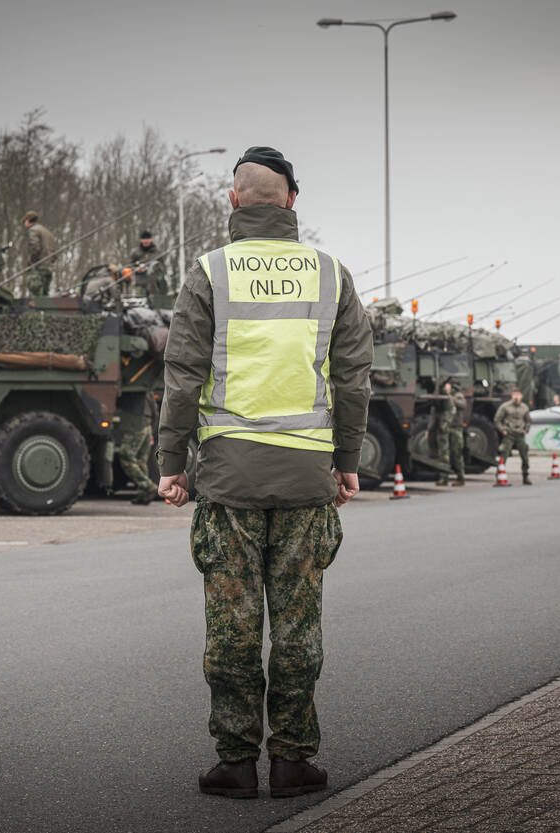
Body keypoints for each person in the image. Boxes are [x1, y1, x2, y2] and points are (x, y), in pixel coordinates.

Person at [155, 146, 372, 800]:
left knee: (233, 631)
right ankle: (292, 759)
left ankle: (235, 762)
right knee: (298, 627)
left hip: (227, 484)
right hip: (307, 482)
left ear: (233, 200)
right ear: (291, 201)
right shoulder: (331, 275)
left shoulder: (209, 273)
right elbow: (355, 380)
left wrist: (172, 464)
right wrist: (347, 463)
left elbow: (184, 374)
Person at [115, 390, 158, 505]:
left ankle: (147, 486)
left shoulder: (134, 386)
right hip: (146, 424)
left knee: (126, 455)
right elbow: (154, 410)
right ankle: (144, 494)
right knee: (141, 461)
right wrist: (150, 431)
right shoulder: (145, 387)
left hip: (136, 423)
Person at [494, 387, 532, 485]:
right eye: (515, 395)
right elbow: (497, 419)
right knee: (504, 455)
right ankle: (499, 476)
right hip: (509, 434)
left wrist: (526, 429)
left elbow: (528, 420)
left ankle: (525, 476)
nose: (516, 397)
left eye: (518, 395)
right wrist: (502, 430)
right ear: (512, 395)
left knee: (524, 456)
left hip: (520, 434)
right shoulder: (505, 407)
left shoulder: (524, 407)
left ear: (521, 396)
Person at [433, 380, 466, 486]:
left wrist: (450, 398)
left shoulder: (458, 396)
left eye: (447, 386)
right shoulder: (443, 397)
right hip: (444, 428)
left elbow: (463, 405)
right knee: (443, 454)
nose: (445, 387)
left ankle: (460, 477)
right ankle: (443, 478)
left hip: (455, 428)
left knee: (457, 453)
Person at [22, 211, 58, 296]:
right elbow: (54, 251)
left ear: (27, 220)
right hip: (48, 268)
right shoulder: (47, 231)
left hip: (39, 267)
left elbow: (35, 248)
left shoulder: (33, 230)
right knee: (45, 297)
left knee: (36, 295)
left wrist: (32, 262)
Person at [128, 230, 165, 297]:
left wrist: (154, 269)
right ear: (141, 240)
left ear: (151, 239)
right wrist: (137, 269)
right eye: (144, 239)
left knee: (155, 304)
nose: (146, 241)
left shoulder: (157, 252)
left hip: (154, 285)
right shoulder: (135, 253)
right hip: (140, 284)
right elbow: (130, 267)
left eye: (147, 238)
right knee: (139, 304)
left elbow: (162, 268)